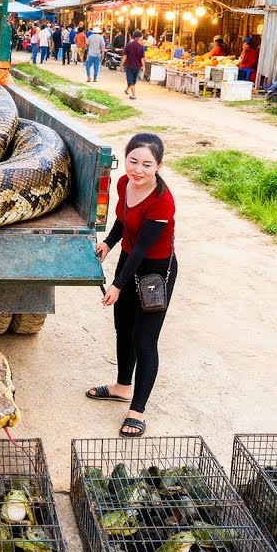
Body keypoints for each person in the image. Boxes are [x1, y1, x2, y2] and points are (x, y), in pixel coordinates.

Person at [87, 132, 177, 437]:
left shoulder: (162, 202)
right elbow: (123, 220)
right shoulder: (125, 184)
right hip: (129, 259)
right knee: (122, 327)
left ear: (159, 166)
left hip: (155, 271)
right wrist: (110, 243)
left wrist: (117, 284)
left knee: (145, 339)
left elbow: (142, 251)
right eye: (133, 161)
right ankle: (122, 386)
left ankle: (137, 411)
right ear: (125, 159)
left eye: (147, 165)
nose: (138, 169)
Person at [122, 30, 146, 100]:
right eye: (141, 36)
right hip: (137, 66)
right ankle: (126, 90)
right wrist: (143, 66)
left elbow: (125, 56)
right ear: (139, 37)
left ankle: (134, 95)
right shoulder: (141, 47)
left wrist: (121, 65)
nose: (142, 38)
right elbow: (142, 58)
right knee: (133, 80)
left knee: (130, 79)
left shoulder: (129, 45)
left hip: (129, 65)